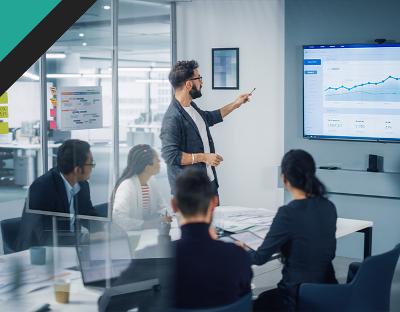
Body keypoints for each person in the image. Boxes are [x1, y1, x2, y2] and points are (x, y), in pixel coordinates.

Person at [249, 149, 338, 312]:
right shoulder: (328, 206)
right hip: (328, 292)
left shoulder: (288, 213)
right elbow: (329, 253)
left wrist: (237, 250)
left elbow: (260, 257)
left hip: (296, 298)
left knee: (258, 303)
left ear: (284, 178)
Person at [160, 60, 251, 197]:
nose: (201, 82)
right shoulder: (172, 118)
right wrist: (204, 157)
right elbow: (171, 156)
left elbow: (209, 118)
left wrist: (236, 104)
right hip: (190, 192)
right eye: (199, 78)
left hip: (208, 184)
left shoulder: (192, 107)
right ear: (189, 84)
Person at [171, 168, 253, 309]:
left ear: (174, 205)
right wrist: (237, 252)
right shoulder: (238, 256)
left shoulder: (157, 260)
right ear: (214, 202)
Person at [16, 139, 98, 250]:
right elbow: (45, 237)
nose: (92, 167)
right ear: (77, 169)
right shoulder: (42, 188)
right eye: (91, 163)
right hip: (39, 254)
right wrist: (86, 238)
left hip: (70, 249)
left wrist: (105, 230)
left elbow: (88, 215)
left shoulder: (82, 185)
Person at [111, 144, 169, 231]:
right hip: (128, 236)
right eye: (156, 159)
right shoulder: (127, 186)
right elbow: (119, 218)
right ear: (147, 167)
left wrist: (165, 216)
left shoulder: (151, 181)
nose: (159, 161)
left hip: (147, 233)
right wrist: (149, 224)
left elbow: (162, 207)